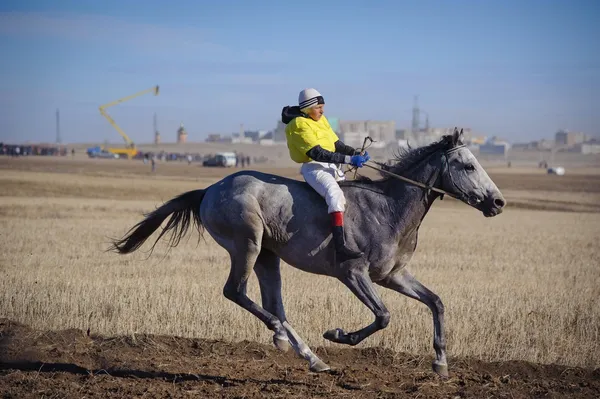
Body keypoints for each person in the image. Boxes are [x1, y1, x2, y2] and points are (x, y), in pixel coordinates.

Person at [282, 88, 370, 262]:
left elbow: (336, 144)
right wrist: (350, 159)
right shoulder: (298, 124)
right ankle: (339, 247)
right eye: (318, 107)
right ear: (307, 108)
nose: (322, 111)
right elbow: (317, 153)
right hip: (315, 168)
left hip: (332, 167)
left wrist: (355, 152)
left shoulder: (322, 120)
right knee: (335, 196)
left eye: (323, 107)